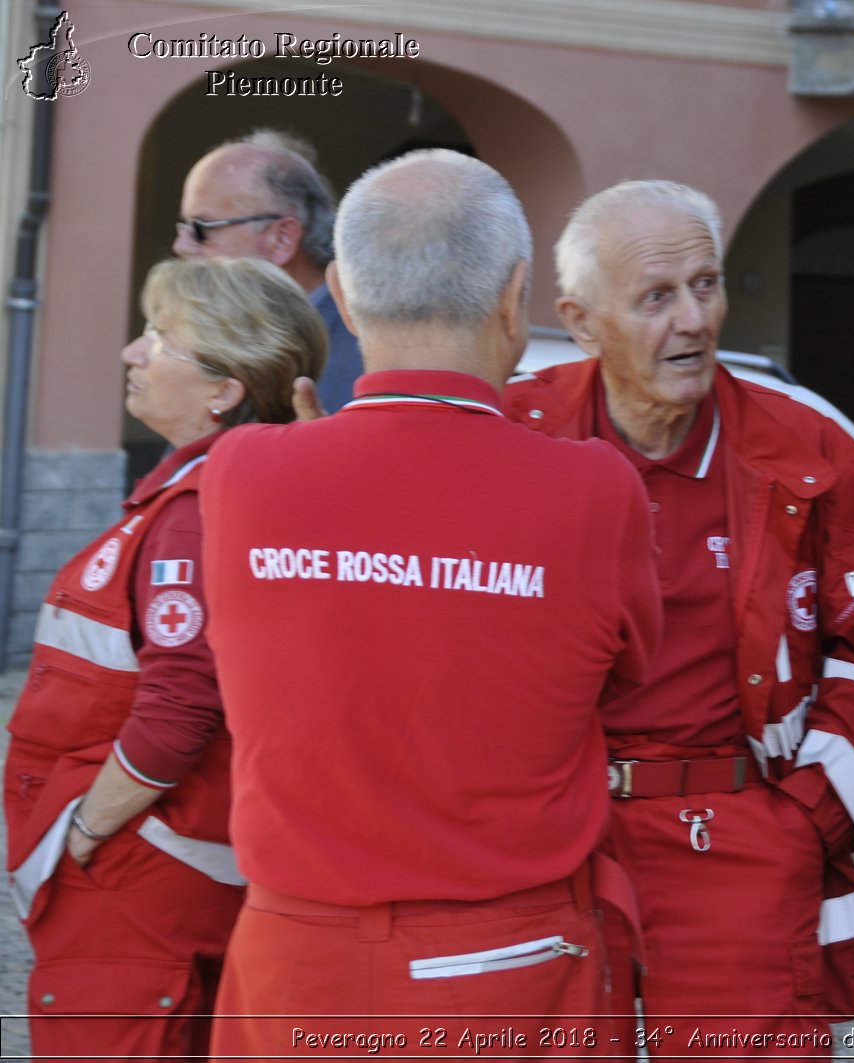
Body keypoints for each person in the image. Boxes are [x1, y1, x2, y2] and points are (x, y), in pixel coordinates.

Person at [201, 149, 660, 1058]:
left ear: (339, 289)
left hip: (294, 961)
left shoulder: (241, 470)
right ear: (514, 295)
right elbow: (627, 675)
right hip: (505, 965)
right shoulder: (595, 488)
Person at [501, 180, 854, 1056]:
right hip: (549, 842)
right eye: (657, 297)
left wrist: (805, 822)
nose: (694, 320)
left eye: (707, 284)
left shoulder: (812, 452)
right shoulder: (511, 437)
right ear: (581, 321)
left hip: (735, 837)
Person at [3, 257, 327, 1060]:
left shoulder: (196, 510)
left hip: (138, 884)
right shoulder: (219, 492)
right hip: (169, 875)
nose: (131, 353)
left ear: (224, 387)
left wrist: (81, 831)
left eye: (158, 337)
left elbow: (182, 706)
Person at [173, 129, 362, 410]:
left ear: (282, 239)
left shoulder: (361, 353)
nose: (181, 246)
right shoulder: (219, 332)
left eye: (201, 228)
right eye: (185, 227)